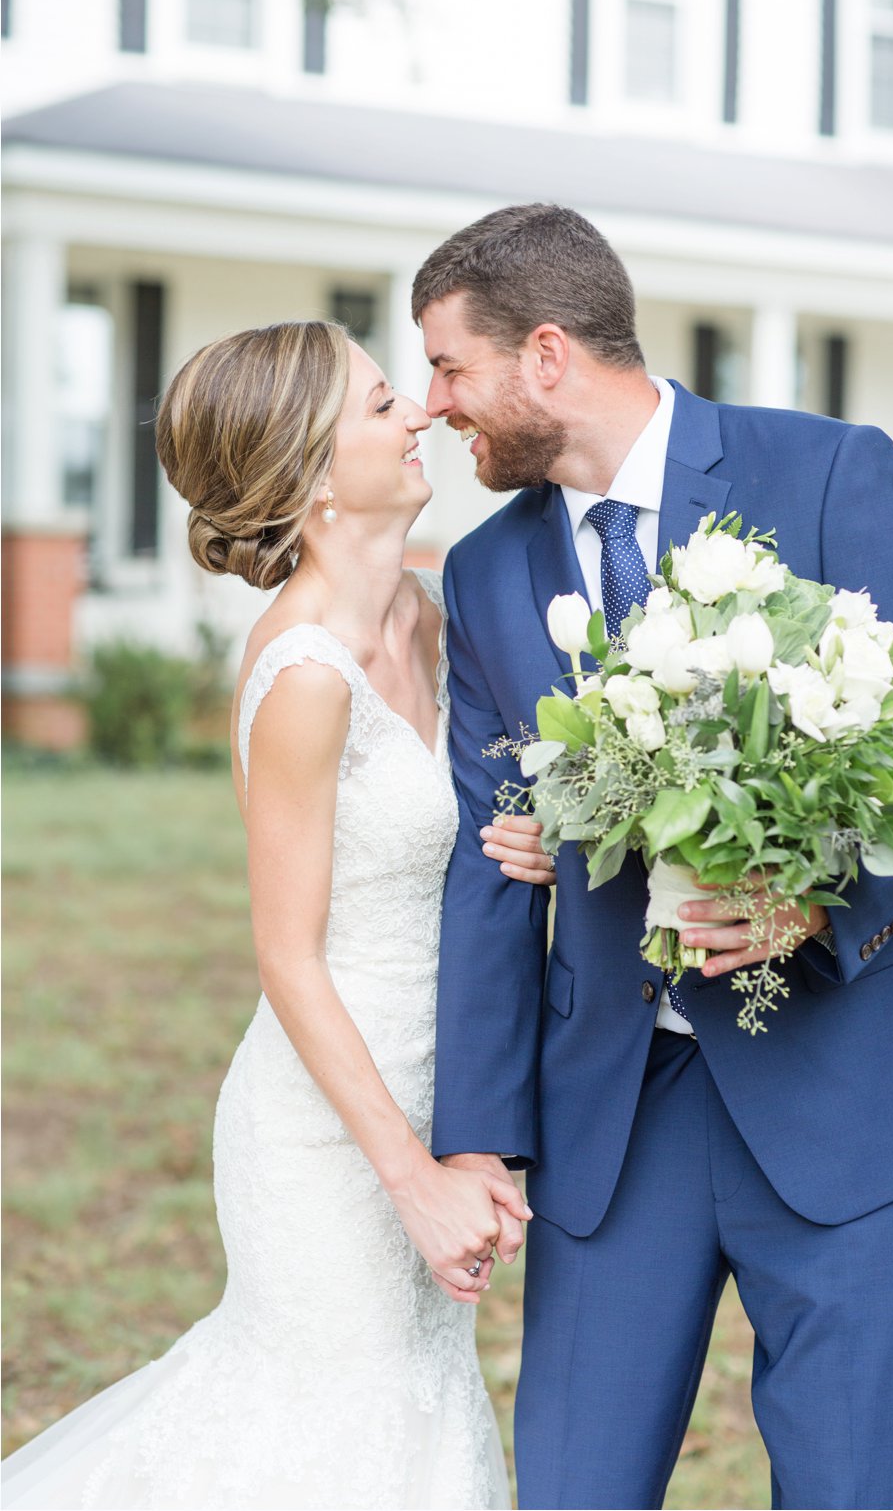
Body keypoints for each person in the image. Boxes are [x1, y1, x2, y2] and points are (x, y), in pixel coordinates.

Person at [417, 203, 893, 1510]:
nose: (434, 406)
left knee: (850, 1486)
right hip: (614, 1115)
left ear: (548, 355)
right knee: (572, 1488)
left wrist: (815, 899)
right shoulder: (482, 576)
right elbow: (487, 865)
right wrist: (475, 1139)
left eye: (450, 368)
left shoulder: (828, 473)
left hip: (849, 1085)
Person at [2, 320, 557, 1507]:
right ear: (311, 476)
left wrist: (542, 840)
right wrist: (409, 1174)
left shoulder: (430, 614)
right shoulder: (305, 674)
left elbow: (469, 835)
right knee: (325, 1436)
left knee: (415, 1426)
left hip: (437, 1086)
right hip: (325, 1135)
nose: (415, 411)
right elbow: (286, 957)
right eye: (375, 405)